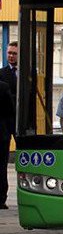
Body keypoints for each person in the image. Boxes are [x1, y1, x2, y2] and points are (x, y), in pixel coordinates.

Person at [0, 53, 14, 209]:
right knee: (1, 168)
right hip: (1, 135)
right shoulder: (3, 87)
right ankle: (1, 199)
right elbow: (10, 112)